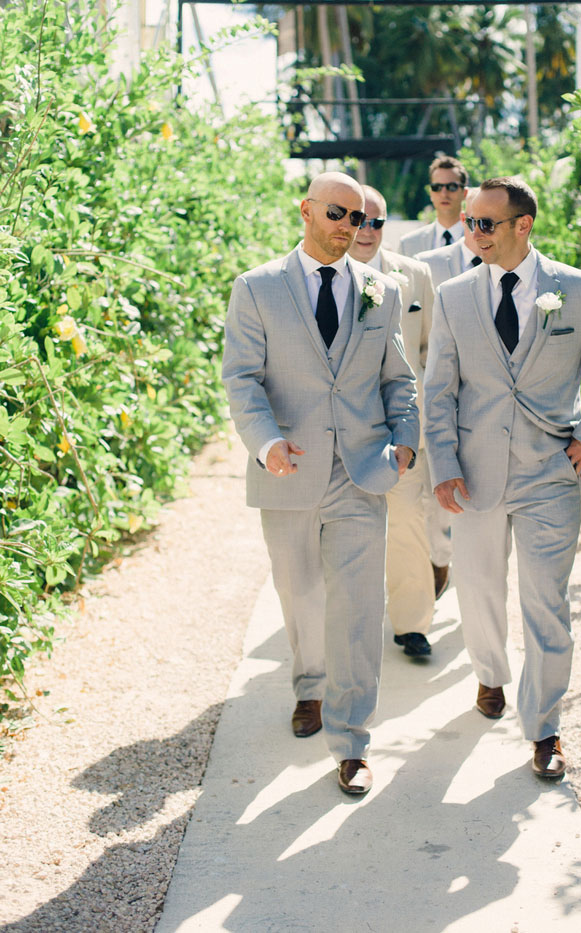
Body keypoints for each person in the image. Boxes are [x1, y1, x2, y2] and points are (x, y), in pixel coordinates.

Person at [423, 177, 581, 779]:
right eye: (469, 223)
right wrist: (442, 465)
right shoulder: (456, 295)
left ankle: (544, 727)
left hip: (550, 472)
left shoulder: (576, 289)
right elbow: (438, 391)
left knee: (547, 602)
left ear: (523, 225)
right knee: (480, 592)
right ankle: (490, 675)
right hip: (474, 473)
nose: (474, 233)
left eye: (486, 224)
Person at [222, 172, 419, 796]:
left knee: (359, 606)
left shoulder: (381, 290)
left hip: (361, 472)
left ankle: (353, 738)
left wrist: (407, 438)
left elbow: (398, 377)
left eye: (360, 219)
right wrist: (266, 441)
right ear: (306, 209)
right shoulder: (256, 289)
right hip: (288, 467)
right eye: (339, 213)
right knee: (300, 592)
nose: (351, 228)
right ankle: (309, 685)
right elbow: (241, 379)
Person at [348, 185, 435, 659]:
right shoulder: (327, 276)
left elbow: (432, 353)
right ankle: (351, 626)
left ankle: (412, 625)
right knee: (350, 533)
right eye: (358, 219)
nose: (367, 230)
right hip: (345, 428)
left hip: (403, 424)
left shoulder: (415, 275)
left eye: (377, 221)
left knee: (407, 522)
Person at [414, 186, 481, 596]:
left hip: (485, 406)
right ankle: (439, 560)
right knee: (431, 493)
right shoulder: (427, 265)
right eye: (472, 218)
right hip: (435, 395)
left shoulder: (516, 263)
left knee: (476, 498)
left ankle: (473, 573)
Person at [398, 155, 468, 258]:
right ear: (431, 193)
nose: (444, 194)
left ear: (464, 193)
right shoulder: (408, 245)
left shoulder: (481, 241)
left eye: (452, 187)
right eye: (437, 187)